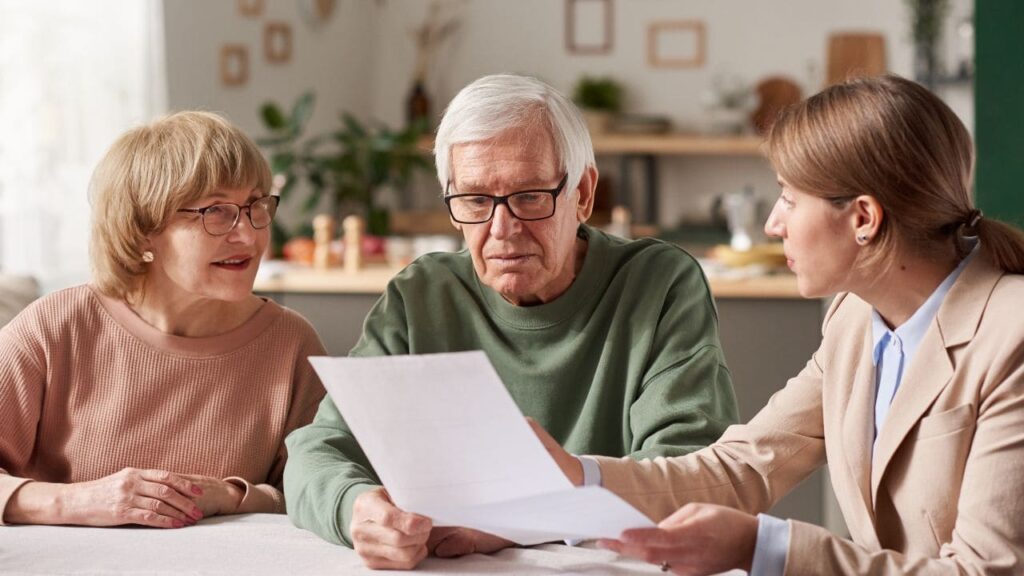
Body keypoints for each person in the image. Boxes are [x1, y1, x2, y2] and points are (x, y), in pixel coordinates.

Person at [535, 74, 1024, 575]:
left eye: (788, 197)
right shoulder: (855, 319)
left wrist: (767, 548)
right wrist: (578, 477)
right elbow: (743, 466)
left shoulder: (1013, 336)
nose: (773, 223)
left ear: (863, 219)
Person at [284, 73, 739, 570]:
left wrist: (518, 522)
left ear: (583, 194)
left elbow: (690, 476)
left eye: (529, 196)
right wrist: (355, 510)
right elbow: (315, 452)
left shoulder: (660, 283)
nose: (503, 230)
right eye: (476, 201)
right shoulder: (422, 295)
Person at [0, 111, 326, 529]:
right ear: (141, 230)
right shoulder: (56, 327)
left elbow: (320, 490)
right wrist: (77, 500)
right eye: (216, 211)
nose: (249, 235)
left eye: (254, 205)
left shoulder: (291, 342)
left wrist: (231, 495)